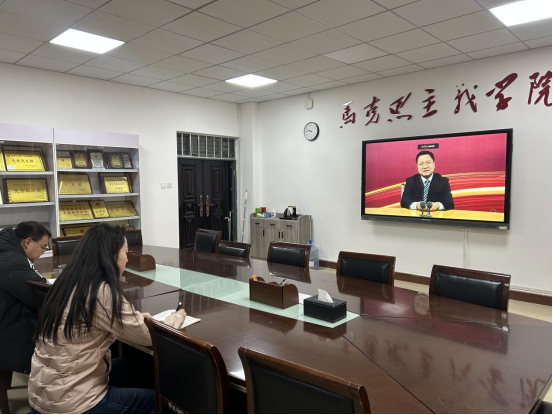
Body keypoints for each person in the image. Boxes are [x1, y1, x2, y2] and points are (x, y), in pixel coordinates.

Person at [29, 224, 186, 415]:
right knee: (162, 404)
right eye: (126, 252)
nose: (127, 258)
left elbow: (102, 319)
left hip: (43, 395)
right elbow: (147, 335)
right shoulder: (101, 291)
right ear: (112, 255)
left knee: (137, 365)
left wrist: (137, 318)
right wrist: (176, 318)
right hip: (73, 404)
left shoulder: (67, 281)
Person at [0, 222, 51, 377]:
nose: (43, 252)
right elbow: (42, 297)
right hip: (7, 328)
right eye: (43, 247)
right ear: (27, 242)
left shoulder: (7, 252)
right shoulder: (13, 262)